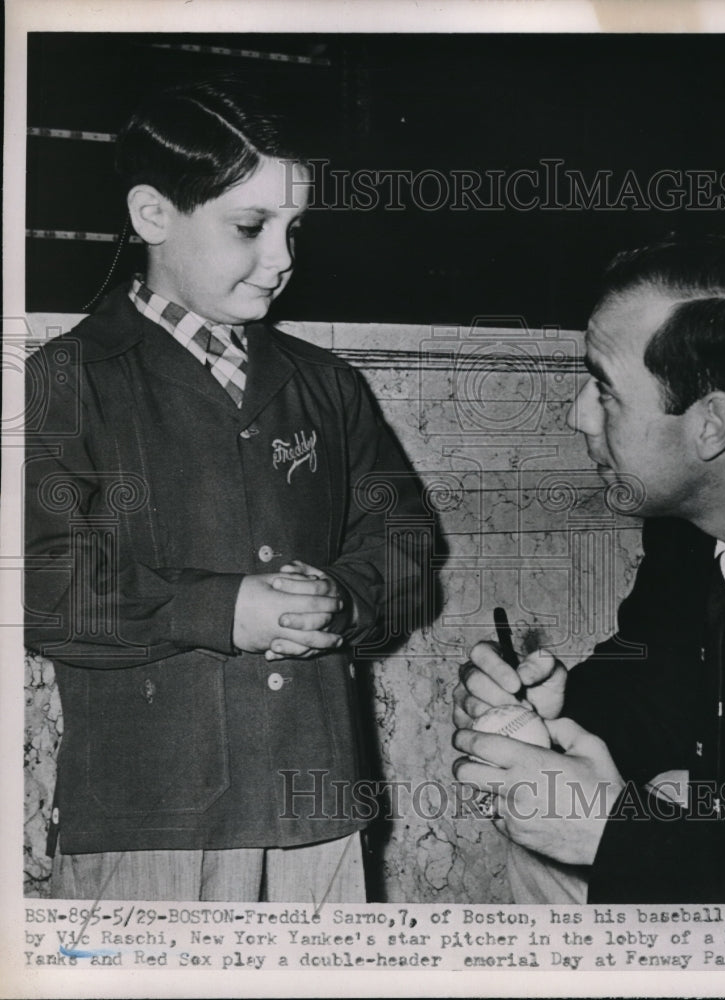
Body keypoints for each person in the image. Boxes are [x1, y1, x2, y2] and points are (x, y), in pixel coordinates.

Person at [25, 80, 427, 902]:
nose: (282, 258)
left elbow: (406, 540)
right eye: (250, 227)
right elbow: (37, 582)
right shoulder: (66, 380)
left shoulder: (329, 385)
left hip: (317, 806)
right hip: (149, 820)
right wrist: (222, 610)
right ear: (152, 216)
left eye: (293, 229)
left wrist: (345, 601)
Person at [453, 236, 725, 903]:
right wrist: (557, 710)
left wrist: (616, 837)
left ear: (712, 426)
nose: (577, 415)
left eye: (605, 390)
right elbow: (653, 683)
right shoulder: (687, 527)